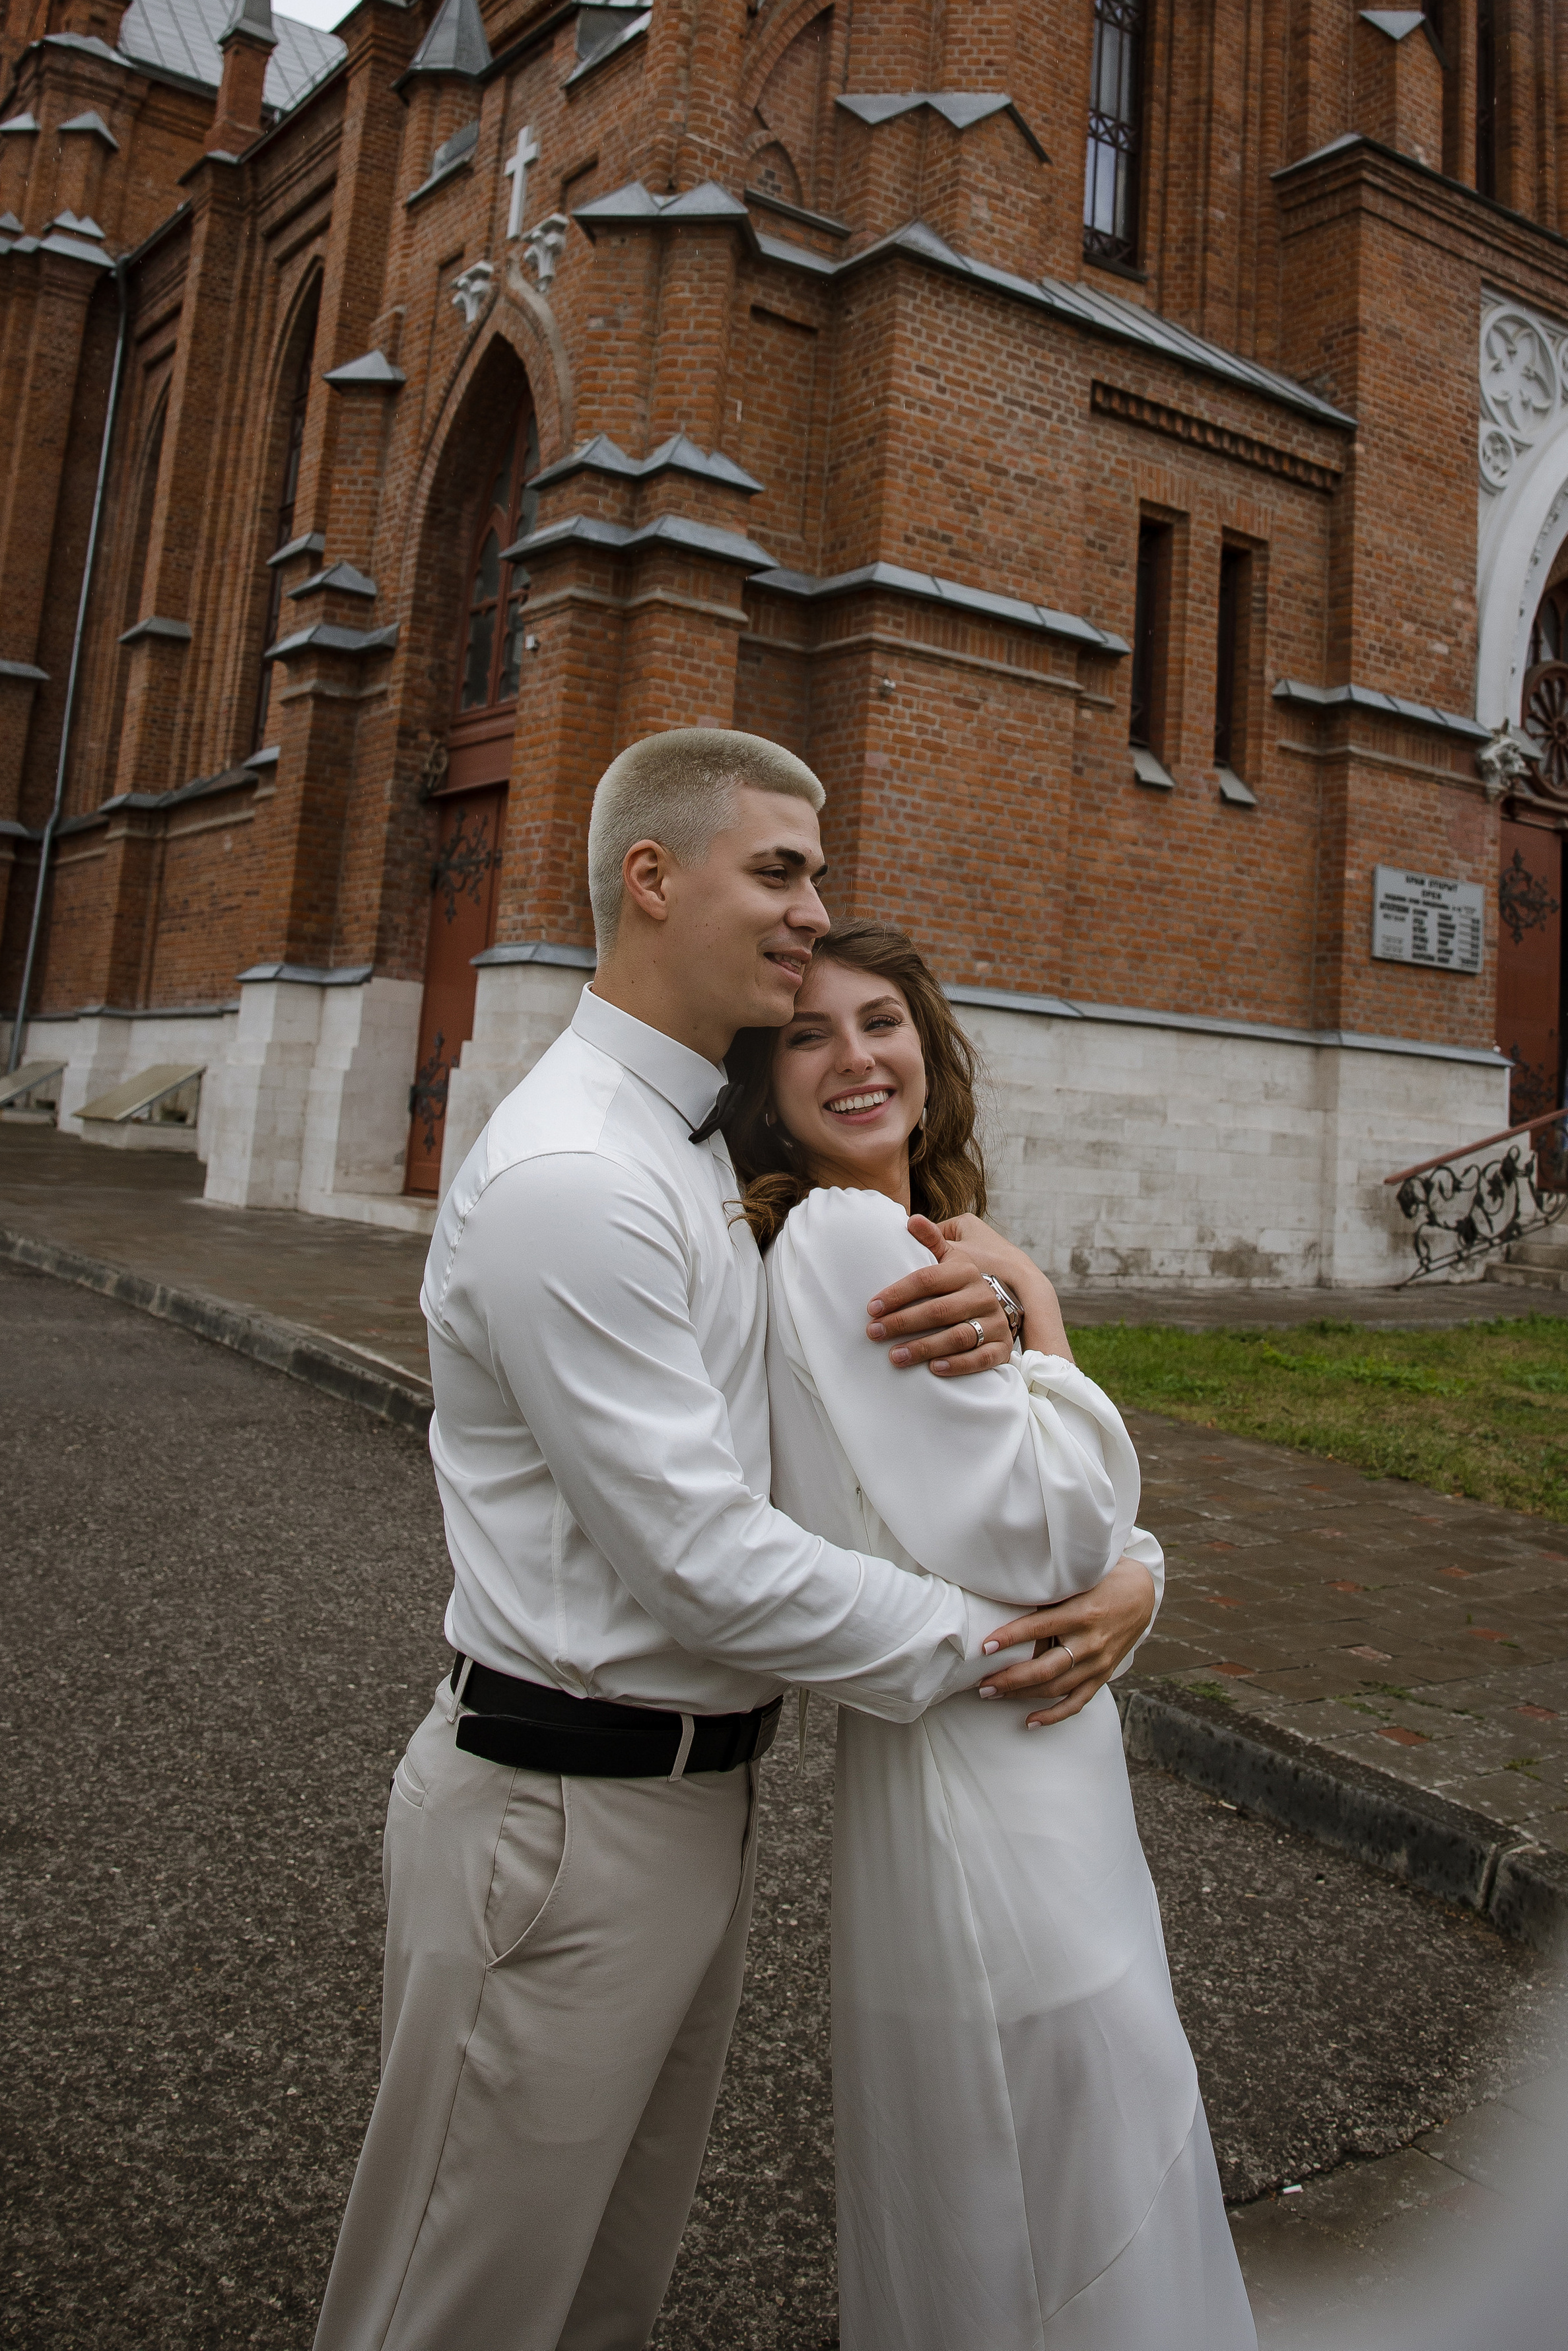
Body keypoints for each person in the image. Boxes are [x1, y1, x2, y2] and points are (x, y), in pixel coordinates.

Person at [312, 730, 1163, 2351]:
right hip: (556, 1818)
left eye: (815, 874)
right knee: (455, 2305)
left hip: (682, 1805)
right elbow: (700, 1558)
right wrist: (1020, 1640)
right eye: (778, 870)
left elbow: (872, 1483)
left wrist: (1129, 1572)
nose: (810, 908)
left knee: (597, 2298)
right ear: (652, 878)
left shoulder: (698, 1155)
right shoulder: (578, 1176)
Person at [723, 916, 1256, 2351]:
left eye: (878, 1021)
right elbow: (1050, 1534)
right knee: (1067, 2167)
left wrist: (1136, 1583)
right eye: (805, 1033)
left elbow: (1049, 1540)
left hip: (1014, 1754)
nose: (851, 1058)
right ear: (760, 1083)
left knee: (1038, 2162)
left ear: (928, 1043)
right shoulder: (846, 1242)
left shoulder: (898, 1235)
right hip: (989, 1785)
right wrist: (1043, 1309)